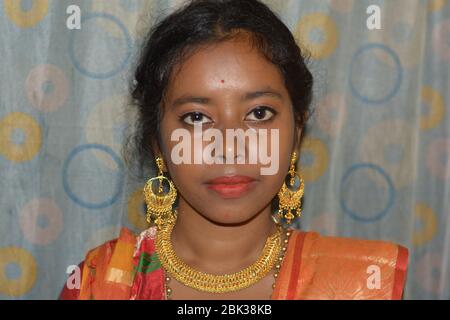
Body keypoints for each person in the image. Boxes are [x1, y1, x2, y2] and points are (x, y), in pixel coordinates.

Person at [59, 0, 408, 300]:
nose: (229, 147)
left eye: (259, 113)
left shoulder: (361, 284)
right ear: (158, 141)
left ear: (296, 132)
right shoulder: (100, 281)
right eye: (197, 117)